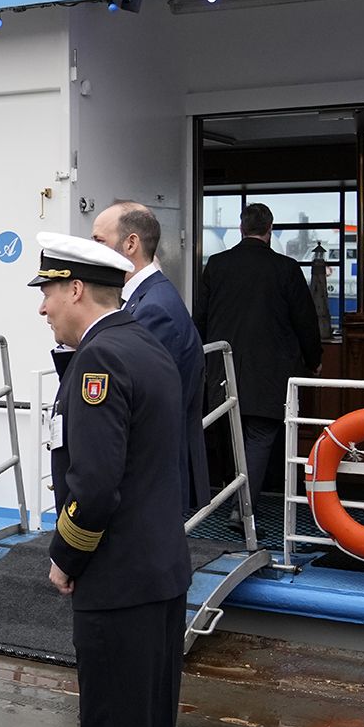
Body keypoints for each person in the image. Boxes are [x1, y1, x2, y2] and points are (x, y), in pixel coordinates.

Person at [28, 233, 190, 727]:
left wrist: (65, 556)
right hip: (158, 574)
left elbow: (95, 487)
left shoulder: (99, 361)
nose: (42, 309)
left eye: (45, 293)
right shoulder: (143, 342)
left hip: (119, 582)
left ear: (72, 289)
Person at [193, 203, 323, 512]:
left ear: (241, 229)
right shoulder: (287, 269)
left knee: (230, 435)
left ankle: (231, 499)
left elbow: (200, 319)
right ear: (270, 230)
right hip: (269, 372)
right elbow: (306, 320)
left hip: (223, 368)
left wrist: (202, 362)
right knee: (261, 437)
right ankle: (244, 508)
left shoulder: (217, 265)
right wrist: (314, 358)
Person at [91, 201, 208, 515]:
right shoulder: (145, 299)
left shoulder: (153, 310)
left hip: (149, 482)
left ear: (131, 244)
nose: (93, 250)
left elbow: (142, 405)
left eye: (99, 241)